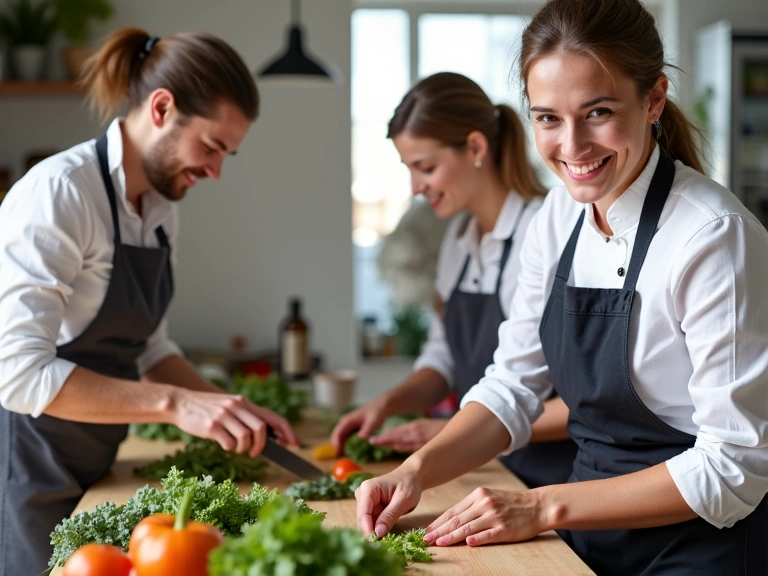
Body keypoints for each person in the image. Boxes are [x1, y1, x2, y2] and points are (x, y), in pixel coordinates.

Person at [354, 2, 768, 574]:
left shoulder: (713, 236)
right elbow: (512, 385)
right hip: (586, 538)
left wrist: (541, 505)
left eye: (597, 112)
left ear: (653, 100)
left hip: (695, 547)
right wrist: (416, 471)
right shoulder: (558, 216)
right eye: (547, 118)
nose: (571, 147)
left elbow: (735, 465)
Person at [0, 28, 300, 575]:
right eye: (211, 146)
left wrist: (228, 410)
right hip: (26, 473)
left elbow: (148, 347)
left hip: (94, 471)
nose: (216, 170)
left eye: (227, 153)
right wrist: (177, 405)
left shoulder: (161, 210)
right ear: (162, 108)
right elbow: (18, 373)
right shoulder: (61, 193)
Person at [332, 72, 577, 489]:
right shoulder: (458, 242)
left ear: (476, 147)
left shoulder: (542, 233)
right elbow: (444, 357)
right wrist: (388, 404)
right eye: (409, 169)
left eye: (425, 167)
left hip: (550, 479)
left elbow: (581, 405)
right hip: (486, 469)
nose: (415, 187)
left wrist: (456, 433)